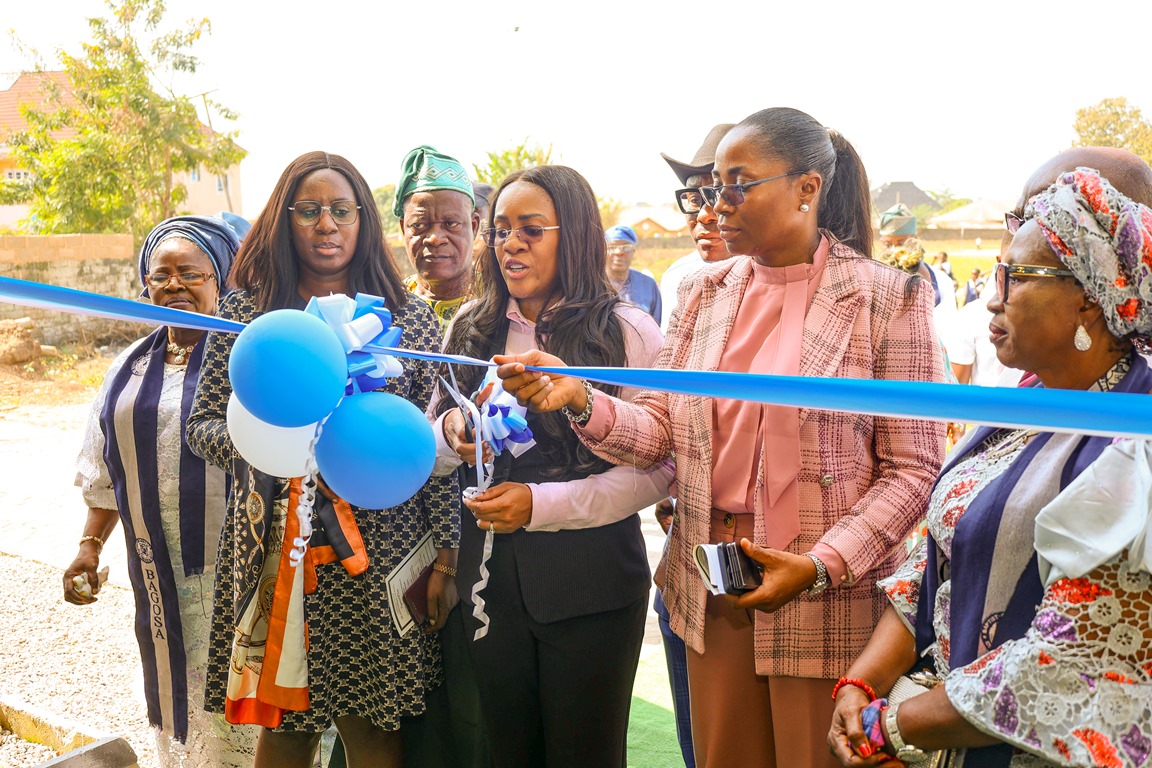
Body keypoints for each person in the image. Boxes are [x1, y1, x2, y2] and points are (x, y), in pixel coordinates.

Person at [496, 107, 945, 768]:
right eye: (709, 189)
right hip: (712, 586)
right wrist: (582, 399)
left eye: (737, 184)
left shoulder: (889, 297)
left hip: (826, 591)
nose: (715, 204)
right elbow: (665, 439)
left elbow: (914, 469)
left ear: (806, 189)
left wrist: (821, 564)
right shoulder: (703, 293)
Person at [827, 162, 1152, 768]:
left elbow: (1064, 665)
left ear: (1088, 299)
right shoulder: (1022, 403)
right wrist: (862, 682)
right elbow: (939, 557)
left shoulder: (1135, 444)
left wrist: (888, 726)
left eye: (1017, 276)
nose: (992, 297)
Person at [186, 151, 458, 768]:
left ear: (363, 220)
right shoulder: (245, 315)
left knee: (373, 731)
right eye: (309, 211)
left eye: (341, 210)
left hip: (380, 553)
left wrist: (447, 549)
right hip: (272, 548)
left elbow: (432, 445)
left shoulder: (407, 318)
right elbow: (202, 423)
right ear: (284, 221)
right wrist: (283, 448)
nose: (326, 224)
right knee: (283, 728)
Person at [434, 164, 671, 767]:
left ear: (577, 237)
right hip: (489, 586)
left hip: (591, 586)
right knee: (505, 750)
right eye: (500, 229)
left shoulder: (625, 334)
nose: (510, 243)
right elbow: (430, 440)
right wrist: (454, 431)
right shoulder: (469, 326)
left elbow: (664, 465)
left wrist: (541, 507)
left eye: (531, 229)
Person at [68, 215, 256, 767]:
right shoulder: (126, 370)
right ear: (144, 286)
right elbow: (104, 470)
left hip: (243, 571)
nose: (174, 285)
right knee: (185, 709)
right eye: (161, 275)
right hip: (159, 574)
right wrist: (90, 545)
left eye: (191, 273)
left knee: (252, 700)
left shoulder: (247, 359)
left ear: (220, 279)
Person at [652, 122, 738, 768]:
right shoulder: (688, 289)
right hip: (690, 566)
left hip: (785, 580)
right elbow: (659, 423)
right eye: (695, 195)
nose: (706, 213)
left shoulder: (848, 298)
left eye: (724, 192)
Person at [658, 123, 735, 334]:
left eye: (718, 196)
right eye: (694, 199)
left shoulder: (780, 279)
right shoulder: (677, 277)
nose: (704, 215)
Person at [397, 146, 482, 332]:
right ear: (404, 229)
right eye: (419, 225)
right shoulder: (388, 306)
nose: (434, 239)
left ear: (474, 226)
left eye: (451, 223)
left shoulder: (498, 306)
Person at [604, 223, 661, 323]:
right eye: (612, 246)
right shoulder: (593, 285)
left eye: (626, 247)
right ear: (604, 250)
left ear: (633, 251)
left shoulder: (648, 285)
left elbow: (657, 325)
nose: (619, 252)